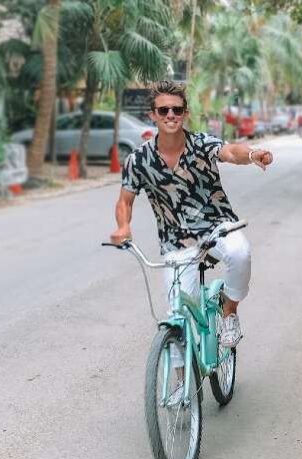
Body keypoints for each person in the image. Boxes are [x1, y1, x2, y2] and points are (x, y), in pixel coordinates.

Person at [110, 81, 273, 348]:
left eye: (176, 109)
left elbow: (231, 152)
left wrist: (253, 154)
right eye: (163, 111)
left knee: (239, 253)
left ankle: (229, 312)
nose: (170, 115)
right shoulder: (138, 160)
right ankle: (179, 387)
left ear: (185, 113)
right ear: (152, 115)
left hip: (217, 226)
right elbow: (124, 201)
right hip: (176, 240)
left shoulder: (201, 143)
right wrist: (122, 227)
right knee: (178, 318)